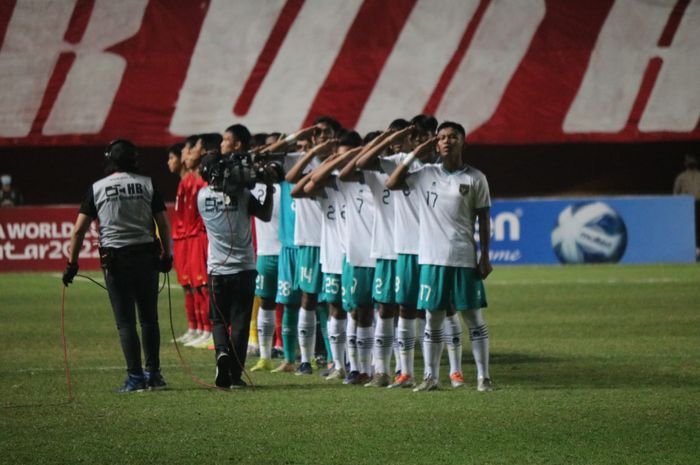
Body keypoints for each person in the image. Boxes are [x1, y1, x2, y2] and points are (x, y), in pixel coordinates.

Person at [386, 121, 494, 392]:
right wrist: (416, 152)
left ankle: (484, 377)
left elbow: (484, 219)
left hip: (462, 257)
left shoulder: (475, 178)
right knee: (433, 319)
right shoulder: (425, 172)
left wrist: (484, 257)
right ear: (436, 144)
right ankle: (431, 377)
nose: (447, 141)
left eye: (453, 137)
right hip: (431, 259)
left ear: (463, 142)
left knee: (473, 318)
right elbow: (392, 182)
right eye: (442, 138)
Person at [62, 139, 172, 392]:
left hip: (116, 261)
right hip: (146, 258)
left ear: (109, 158)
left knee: (125, 323)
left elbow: (79, 230)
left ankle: (135, 378)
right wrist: (167, 255)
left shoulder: (98, 187)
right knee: (149, 320)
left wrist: (72, 263)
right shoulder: (147, 184)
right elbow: (163, 224)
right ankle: (154, 374)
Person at [197, 147, 275, 389]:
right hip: (244, 268)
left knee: (219, 320)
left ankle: (221, 352)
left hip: (217, 269)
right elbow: (265, 214)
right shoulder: (242, 195)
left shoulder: (201, 197)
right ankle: (235, 374)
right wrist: (269, 189)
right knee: (240, 322)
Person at [673, 153, 700, 259]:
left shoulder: (683, 177)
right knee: (690, 227)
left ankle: (697, 248)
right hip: (686, 205)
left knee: (696, 227)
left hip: (696, 203)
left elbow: (675, 193)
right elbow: (675, 194)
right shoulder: (681, 177)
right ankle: (691, 248)